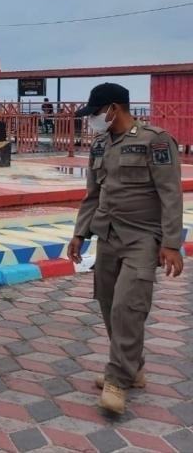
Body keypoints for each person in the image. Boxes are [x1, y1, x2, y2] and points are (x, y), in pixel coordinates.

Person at [68, 82, 183, 414]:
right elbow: (93, 193)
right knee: (107, 303)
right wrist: (80, 234)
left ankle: (117, 378)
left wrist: (172, 244)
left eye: (96, 113)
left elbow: (170, 195)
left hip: (142, 239)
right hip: (108, 236)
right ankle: (134, 366)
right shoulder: (100, 144)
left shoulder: (155, 141)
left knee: (127, 308)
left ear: (113, 109)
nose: (93, 120)